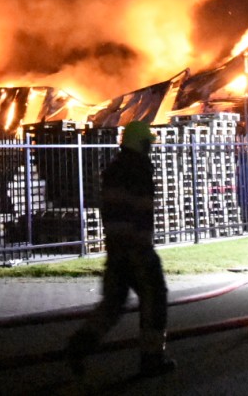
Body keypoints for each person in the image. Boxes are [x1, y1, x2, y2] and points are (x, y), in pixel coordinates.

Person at [66, 119, 175, 379]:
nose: (150, 147)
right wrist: (141, 245)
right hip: (136, 247)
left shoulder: (115, 168)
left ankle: (79, 345)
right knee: (155, 296)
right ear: (141, 143)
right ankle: (151, 358)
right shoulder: (138, 170)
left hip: (116, 246)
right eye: (148, 142)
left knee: (113, 303)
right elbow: (140, 212)